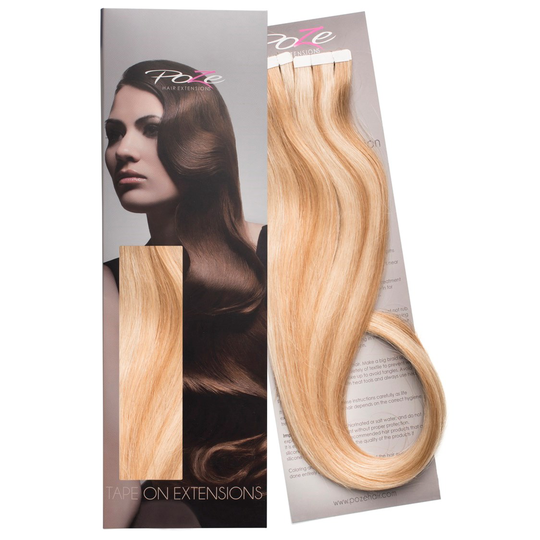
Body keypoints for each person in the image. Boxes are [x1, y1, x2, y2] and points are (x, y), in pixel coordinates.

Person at [103, 60, 267, 528]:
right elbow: (123, 489)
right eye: (114, 133)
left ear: (200, 141)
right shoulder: (116, 285)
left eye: (151, 129)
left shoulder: (282, 252)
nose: (122, 150)